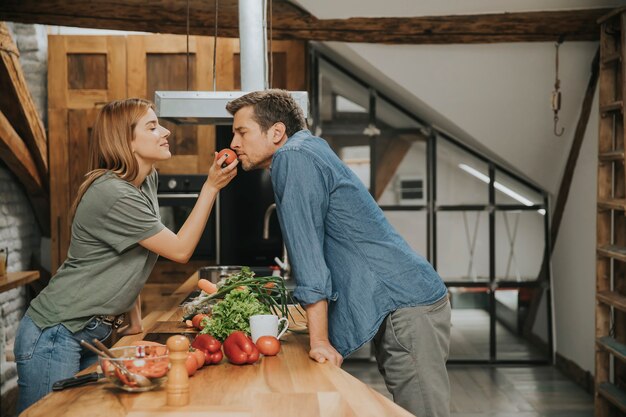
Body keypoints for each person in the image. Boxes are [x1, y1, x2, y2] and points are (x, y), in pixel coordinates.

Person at [226, 89, 451, 417]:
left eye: (241, 132)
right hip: (407, 298)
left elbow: (308, 255)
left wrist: (318, 341)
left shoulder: (293, 157)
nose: (233, 142)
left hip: (406, 304)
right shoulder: (308, 147)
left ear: (276, 132)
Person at [14, 98, 238, 413]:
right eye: (152, 126)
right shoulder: (112, 193)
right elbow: (180, 250)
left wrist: (133, 321)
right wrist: (210, 187)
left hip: (95, 333)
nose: (166, 131)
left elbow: (131, 250)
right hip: (56, 333)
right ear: (126, 141)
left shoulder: (146, 180)